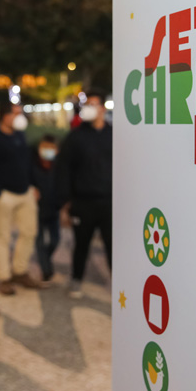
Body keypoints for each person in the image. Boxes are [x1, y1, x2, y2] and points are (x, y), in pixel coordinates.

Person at [55, 91, 112, 299]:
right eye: (87, 104)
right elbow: (63, 169)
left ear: (103, 108)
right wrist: (65, 202)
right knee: (81, 244)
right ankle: (76, 279)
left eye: (94, 104)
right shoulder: (76, 136)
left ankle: (117, 280)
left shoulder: (114, 134)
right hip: (83, 201)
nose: (90, 108)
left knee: (112, 244)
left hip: (108, 201)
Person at [0, 101, 41, 295]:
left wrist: (33, 185)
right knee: (3, 237)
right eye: (15, 113)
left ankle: (20, 271)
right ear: (4, 116)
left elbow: (28, 163)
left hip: (25, 193)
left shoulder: (20, 136)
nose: (19, 117)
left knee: (29, 232)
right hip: (4, 195)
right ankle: (4, 278)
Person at [32, 135, 60, 282]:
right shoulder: (32, 164)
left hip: (53, 208)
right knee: (40, 242)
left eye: (51, 148)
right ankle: (45, 270)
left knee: (55, 240)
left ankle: (45, 259)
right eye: (45, 147)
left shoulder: (58, 165)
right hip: (37, 209)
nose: (48, 150)